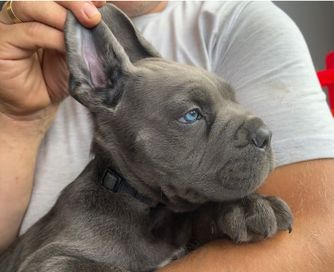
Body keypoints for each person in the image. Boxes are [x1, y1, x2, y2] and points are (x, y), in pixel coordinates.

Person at [0, 1, 334, 271]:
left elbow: (320, 240)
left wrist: (218, 215)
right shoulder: (88, 227)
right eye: (193, 114)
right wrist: (15, 117)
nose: (258, 132)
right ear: (98, 81)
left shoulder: (237, 21)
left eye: (229, 101)